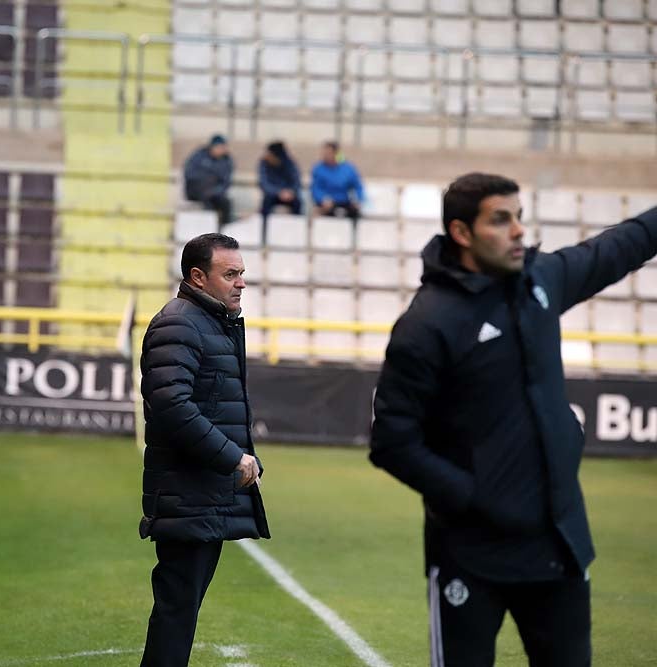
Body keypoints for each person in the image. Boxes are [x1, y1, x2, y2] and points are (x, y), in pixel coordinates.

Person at [369, 172, 657, 667]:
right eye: (501, 220)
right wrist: (473, 496)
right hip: (470, 554)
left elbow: (620, 246)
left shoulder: (541, 282)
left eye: (519, 217)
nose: (519, 230)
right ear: (462, 233)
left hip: (558, 544)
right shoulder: (426, 324)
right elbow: (393, 441)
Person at [138, 233, 270, 667]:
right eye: (230, 274)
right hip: (186, 494)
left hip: (201, 494)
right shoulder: (180, 323)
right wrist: (233, 456)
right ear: (198, 276)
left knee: (180, 612)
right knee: (177, 614)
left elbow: (211, 404)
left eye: (242, 274)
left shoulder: (211, 323)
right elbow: (173, 408)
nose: (241, 283)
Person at [183, 135, 234, 229]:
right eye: (218, 147)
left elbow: (225, 182)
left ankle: (226, 230)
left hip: (214, 193)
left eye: (223, 148)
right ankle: (208, 229)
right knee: (207, 198)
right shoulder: (199, 155)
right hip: (196, 190)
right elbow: (189, 173)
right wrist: (206, 179)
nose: (220, 150)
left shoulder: (227, 160)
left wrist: (214, 191)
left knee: (226, 203)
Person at [310, 141, 364, 222]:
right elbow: (316, 188)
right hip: (326, 203)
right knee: (316, 213)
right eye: (324, 153)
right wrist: (322, 198)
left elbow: (357, 186)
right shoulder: (318, 168)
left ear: (335, 153)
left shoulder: (348, 168)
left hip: (344, 202)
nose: (325, 156)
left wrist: (358, 200)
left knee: (356, 214)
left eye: (328, 153)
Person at [258, 140, 303, 227]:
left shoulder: (290, 164)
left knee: (298, 203)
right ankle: (264, 229)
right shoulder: (264, 164)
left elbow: (296, 182)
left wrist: (291, 192)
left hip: (289, 195)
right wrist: (278, 192)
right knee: (266, 203)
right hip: (273, 195)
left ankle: (296, 229)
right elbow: (264, 183)